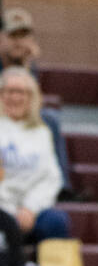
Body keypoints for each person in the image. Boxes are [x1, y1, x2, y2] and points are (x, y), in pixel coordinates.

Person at [0, 8, 74, 199]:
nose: (18, 41)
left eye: (23, 35)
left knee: (50, 120)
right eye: (13, 35)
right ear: (2, 38)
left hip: (19, 115)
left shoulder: (28, 65)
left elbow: (33, 101)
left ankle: (62, 188)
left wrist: (27, 63)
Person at [0, 67, 70, 243]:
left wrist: (30, 208)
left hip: (30, 210)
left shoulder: (42, 132)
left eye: (22, 92)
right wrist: (7, 211)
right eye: (10, 91)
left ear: (32, 97)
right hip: (1, 206)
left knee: (57, 221)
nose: (15, 97)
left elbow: (51, 178)